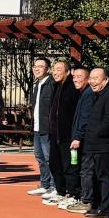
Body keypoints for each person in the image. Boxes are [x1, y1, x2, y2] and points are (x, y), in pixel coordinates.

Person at [82, 67, 109, 218]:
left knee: (104, 176)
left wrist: (97, 133)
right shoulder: (97, 95)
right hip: (94, 144)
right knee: (95, 176)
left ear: (106, 80)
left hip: (104, 144)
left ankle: (106, 208)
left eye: (96, 79)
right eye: (91, 78)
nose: (92, 82)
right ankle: (97, 205)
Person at [45, 59, 81, 207]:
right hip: (55, 135)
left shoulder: (73, 88)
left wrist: (76, 135)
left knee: (70, 166)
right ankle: (61, 192)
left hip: (68, 136)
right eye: (54, 69)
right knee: (55, 164)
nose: (55, 72)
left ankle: (74, 194)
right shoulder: (56, 86)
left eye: (59, 69)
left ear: (68, 72)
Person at [63, 67, 95, 212]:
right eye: (74, 76)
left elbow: (85, 118)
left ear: (87, 79)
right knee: (81, 168)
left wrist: (77, 137)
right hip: (80, 138)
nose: (75, 79)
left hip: (84, 140)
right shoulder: (83, 93)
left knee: (85, 171)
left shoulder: (88, 94)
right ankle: (84, 198)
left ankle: (86, 200)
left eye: (79, 76)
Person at [28, 57, 55, 197]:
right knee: (40, 157)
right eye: (35, 66)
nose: (37, 69)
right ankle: (45, 185)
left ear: (47, 69)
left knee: (49, 158)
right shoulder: (37, 84)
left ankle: (54, 187)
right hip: (37, 127)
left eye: (40, 66)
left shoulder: (52, 84)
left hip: (47, 128)